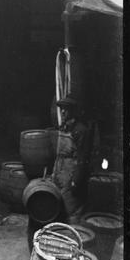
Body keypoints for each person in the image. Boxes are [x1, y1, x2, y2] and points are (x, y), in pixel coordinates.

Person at [52, 95, 93, 223]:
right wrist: (54, 172)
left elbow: (83, 158)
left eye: (66, 109)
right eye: (62, 109)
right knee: (57, 205)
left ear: (73, 111)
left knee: (71, 208)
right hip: (60, 169)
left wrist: (76, 180)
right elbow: (59, 153)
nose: (63, 112)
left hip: (71, 172)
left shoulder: (81, 130)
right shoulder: (64, 128)